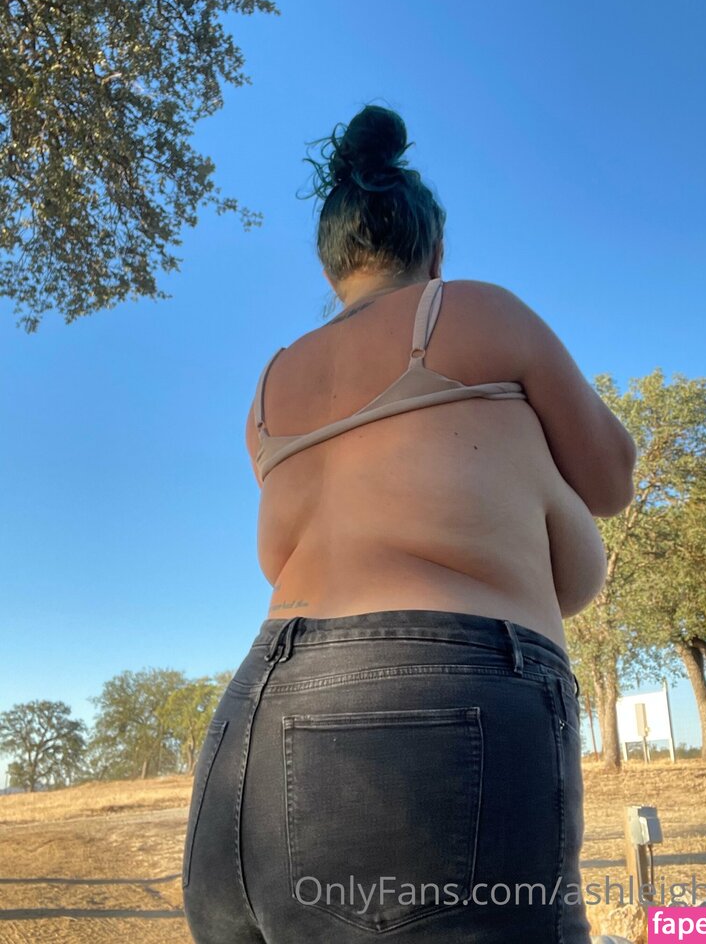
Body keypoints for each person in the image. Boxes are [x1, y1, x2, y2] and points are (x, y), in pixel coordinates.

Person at [182, 104, 637, 944]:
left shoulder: (271, 388)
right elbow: (612, 478)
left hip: (250, 723)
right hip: (432, 697)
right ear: (435, 251)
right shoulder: (474, 311)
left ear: (330, 265)